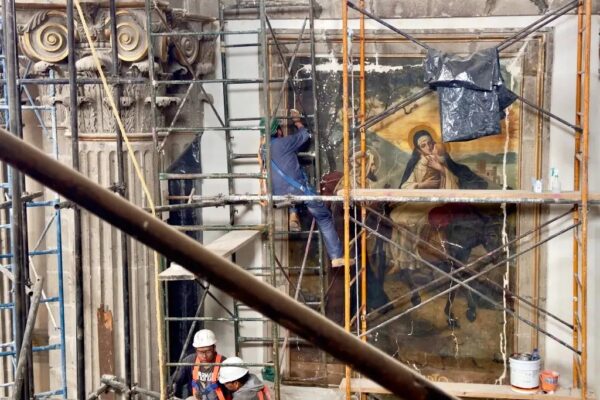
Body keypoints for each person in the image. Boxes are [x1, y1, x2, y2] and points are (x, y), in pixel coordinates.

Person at [388, 130, 487, 286]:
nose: (427, 146)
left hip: (437, 200)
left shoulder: (440, 159)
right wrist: (421, 185)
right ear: (418, 149)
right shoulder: (417, 163)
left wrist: (441, 169)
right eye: (423, 145)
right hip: (419, 199)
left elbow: (454, 183)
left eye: (429, 142)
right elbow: (405, 185)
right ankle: (399, 261)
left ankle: (415, 262)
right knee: (397, 215)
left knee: (410, 219)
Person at [263, 111, 351, 268]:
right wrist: (298, 121)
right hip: (297, 192)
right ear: (278, 131)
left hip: (278, 197)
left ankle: (293, 215)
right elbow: (305, 135)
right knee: (324, 217)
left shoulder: (262, 150)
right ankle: (337, 256)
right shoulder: (282, 143)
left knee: (293, 188)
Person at [172, 329, 228, 400]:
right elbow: (175, 381)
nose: (204, 356)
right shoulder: (190, 361)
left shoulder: (223, 362)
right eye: (201, 352)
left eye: (208, 351)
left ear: (214, 348)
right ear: (196, 350)